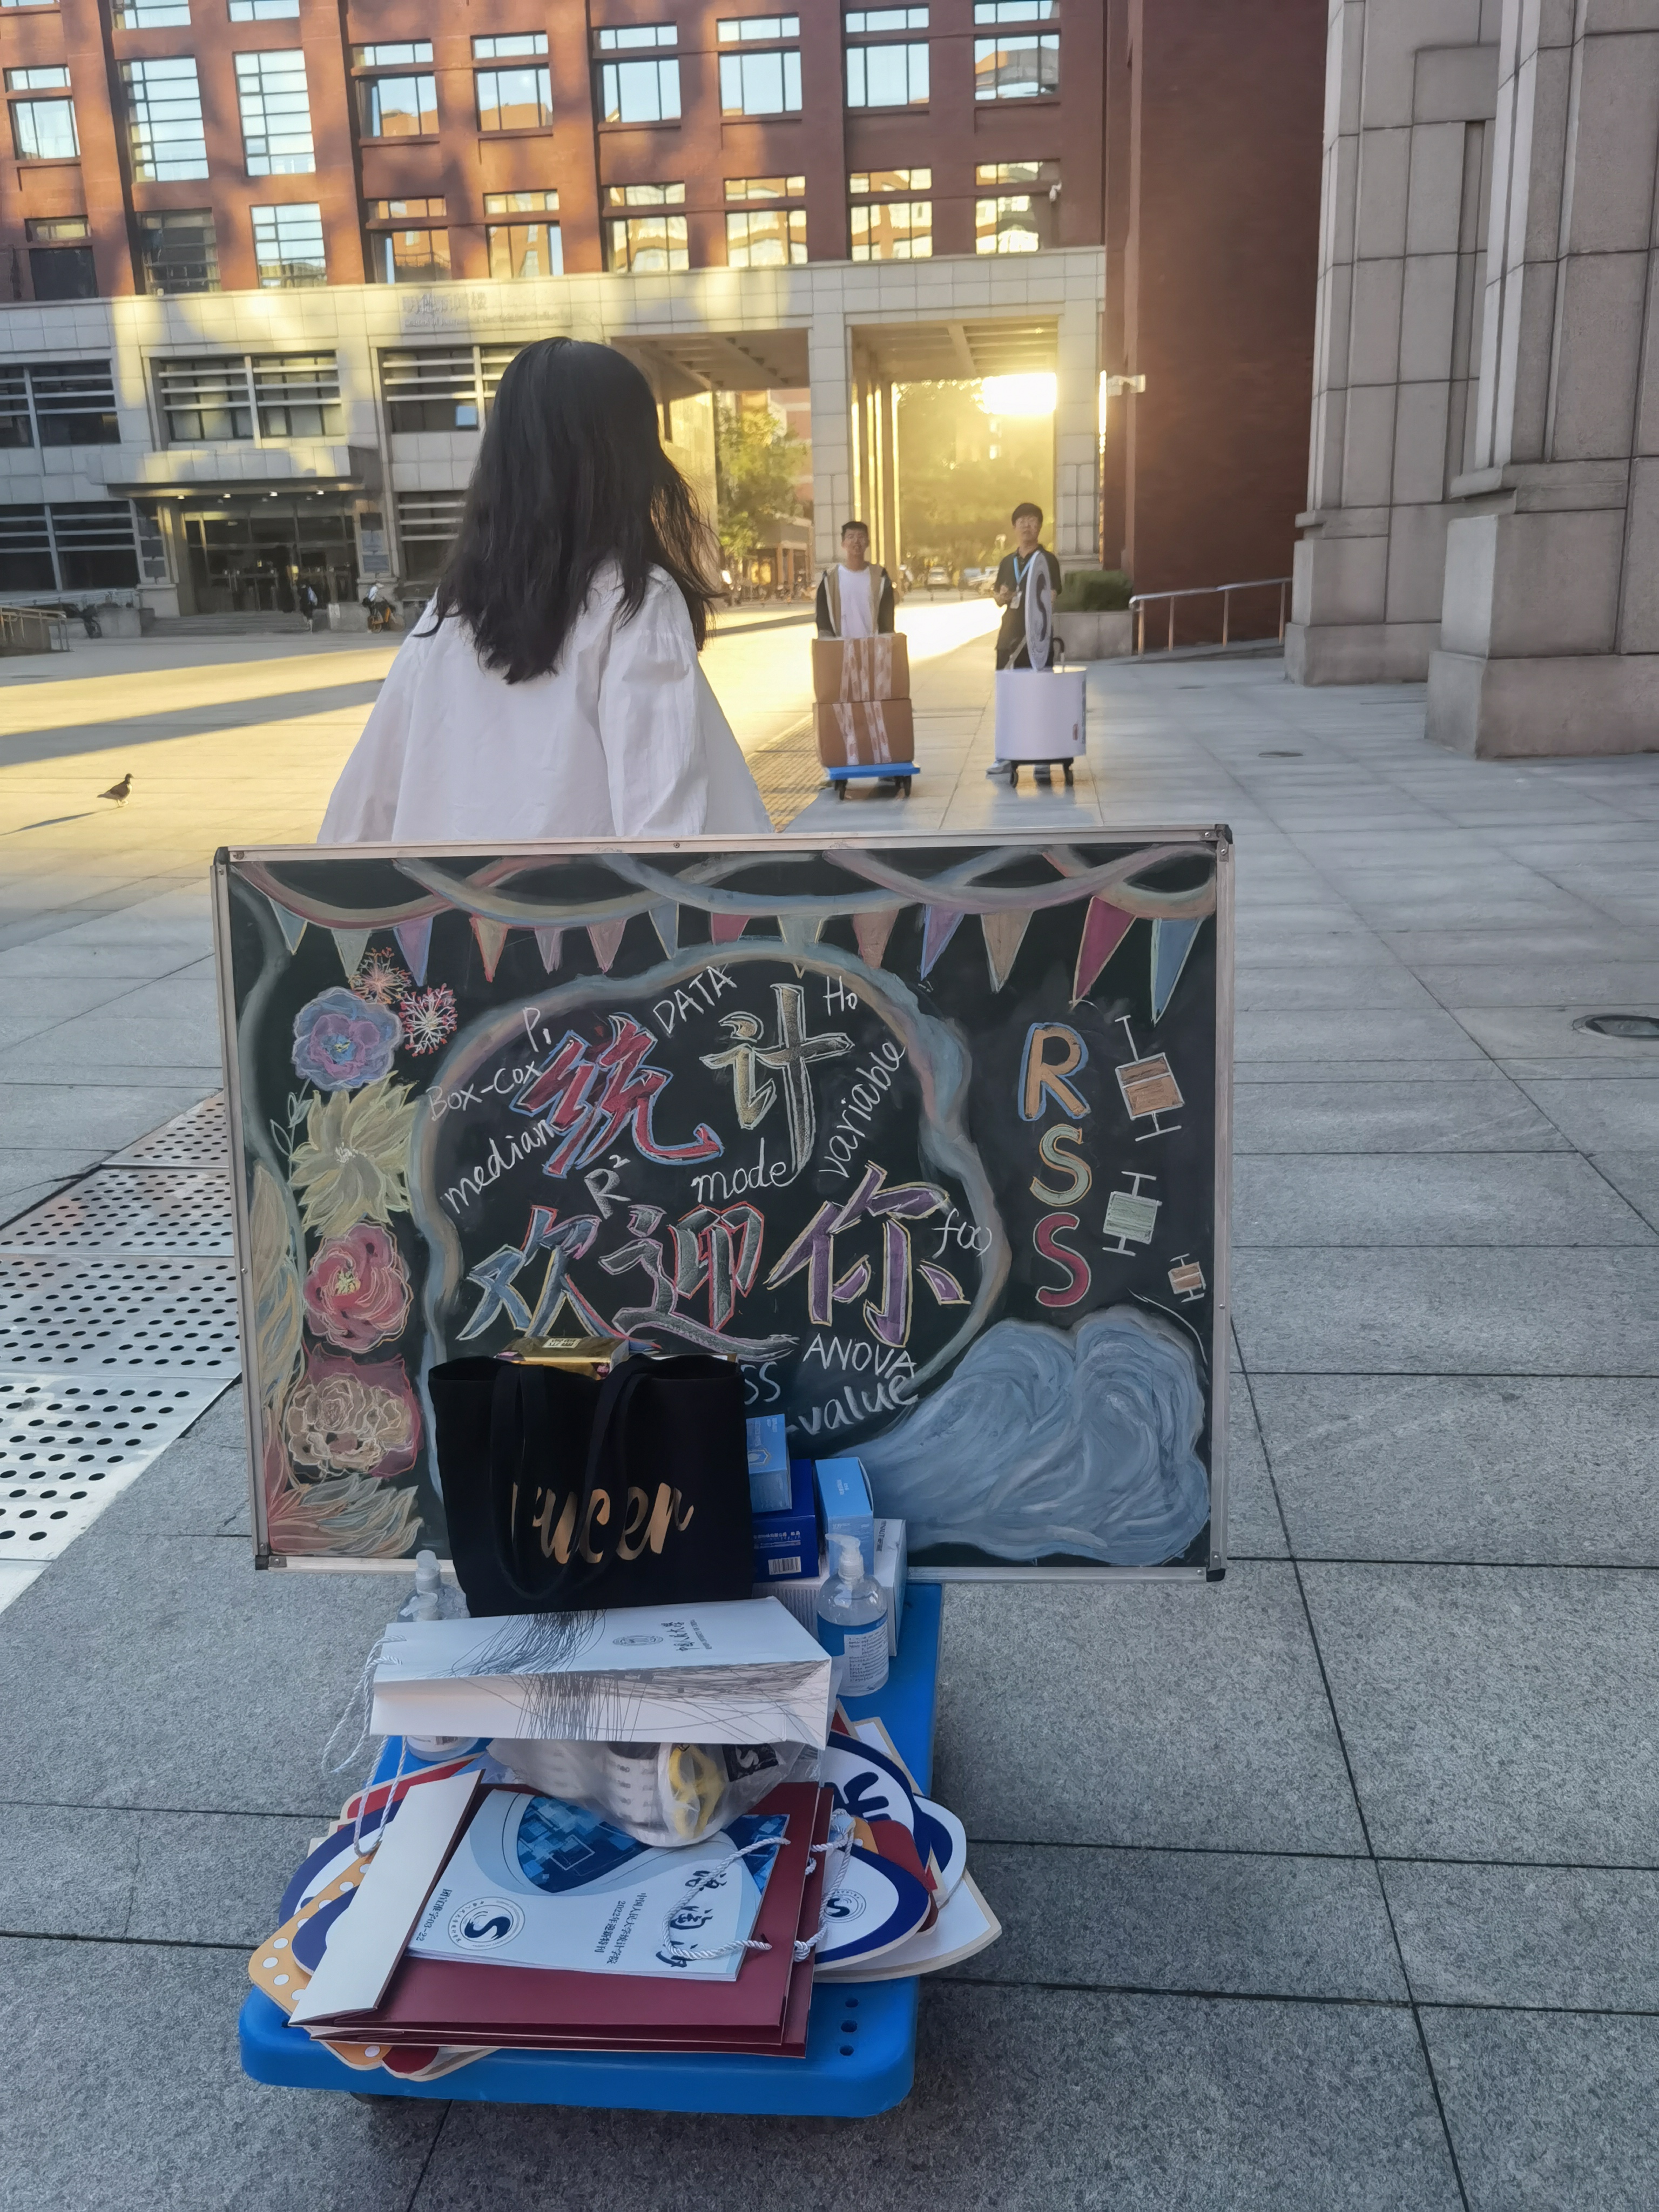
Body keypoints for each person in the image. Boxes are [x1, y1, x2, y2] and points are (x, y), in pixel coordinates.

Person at [319, 339, 772, 844]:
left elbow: (361, 815)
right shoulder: (635, 601)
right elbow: (665, 831)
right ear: (630, 462)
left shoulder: (451, 612)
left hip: (452, 893)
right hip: (591, 897)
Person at [992, 502, 1063, 670]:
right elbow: (998, 599)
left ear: (1039, 526)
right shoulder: (1007, 562)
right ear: (1014, 527)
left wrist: (1046, 598)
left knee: (1037, 685)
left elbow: (1053, 594)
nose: (1026, 526)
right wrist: (1002, 597)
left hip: (1038, 640)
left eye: (1032, 520)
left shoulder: (1047, 560)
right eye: (1022, 521)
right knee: (1006, 684)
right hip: (1007, 638)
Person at [815, 520, 895, 639]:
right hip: (841, 646)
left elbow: (887, 617)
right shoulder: (830, 579)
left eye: (861, 537)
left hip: (872, 645)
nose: (856, 541)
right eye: (851, 537)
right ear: (843, 544)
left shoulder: (880, 577)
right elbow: (823, 619)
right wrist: (827, 643)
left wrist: (886, 641)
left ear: (868, 543)